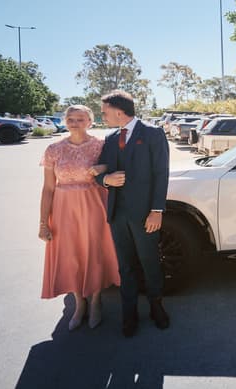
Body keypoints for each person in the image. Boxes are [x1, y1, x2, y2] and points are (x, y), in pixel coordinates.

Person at [95, 90, 170, 337]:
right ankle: (130, 315)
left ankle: (157, 307)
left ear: (118, 111)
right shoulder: (110, 137)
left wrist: (157, 210)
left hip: (145, 214)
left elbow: (161, 173)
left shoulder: (152, 133)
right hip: (117, 215)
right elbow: (100, 171)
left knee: (149, 263)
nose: (103, 116)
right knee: (125, 267)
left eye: (105, 112)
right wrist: (106, 179)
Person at [39, 105, 120, 330]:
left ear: (90, 122)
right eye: (71, 118)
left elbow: (117, 166)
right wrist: (43, 223)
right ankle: (79, 302)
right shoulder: (53, 149)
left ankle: (95, 302)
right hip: (63, 208)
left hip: (93, 204)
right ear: (65, 121)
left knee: (92, 251)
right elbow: (47, 188)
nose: (75, 122)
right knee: (70, 254)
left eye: (80, 119)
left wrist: (103, 166)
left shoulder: (100, 145)